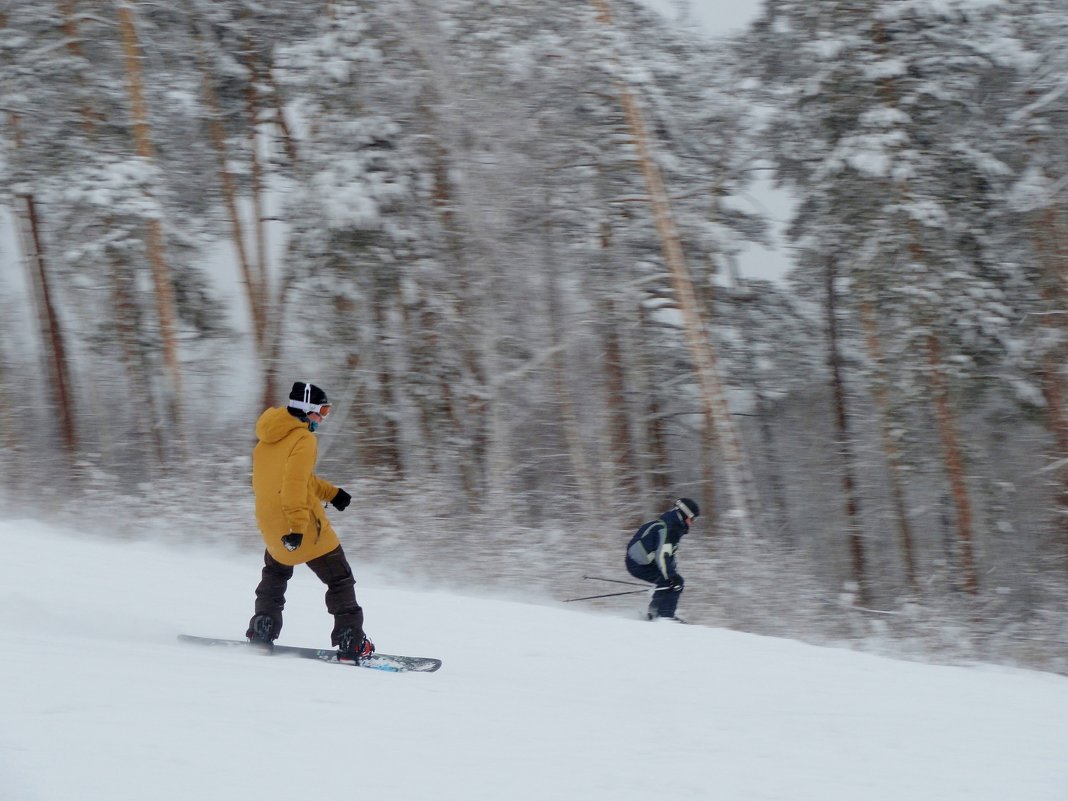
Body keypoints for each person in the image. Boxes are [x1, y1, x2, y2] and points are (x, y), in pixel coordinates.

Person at [246, 381, 374, 662]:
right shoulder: (304, 440)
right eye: (323, 411)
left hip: (271, 525)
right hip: (302, 527)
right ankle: (350, 642)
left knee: (275, 575)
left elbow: (294, 480)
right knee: (340, 580)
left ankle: (262, 629)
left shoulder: (266, 441)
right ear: (307, 410)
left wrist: (333, 493)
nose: (324, 418)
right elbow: (293, 487)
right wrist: (297, 528)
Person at [624, 498, 700, 621]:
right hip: (637, 563)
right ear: (685, 514)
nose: (693, 522)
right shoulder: (669, 528)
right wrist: (672, 576)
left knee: (668, 580)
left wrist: (672, 573)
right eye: (692, 519)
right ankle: (665, 617)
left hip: (644, 562)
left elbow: (669, 555)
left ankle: (655, 614)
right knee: (672, 581)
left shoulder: (672, 526)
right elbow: (662, 555)